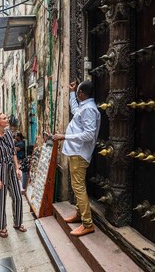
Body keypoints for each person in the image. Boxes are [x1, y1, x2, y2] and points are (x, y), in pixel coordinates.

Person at [52, 80, 101, 237]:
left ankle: (87, 223)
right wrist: (72, 92)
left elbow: (89, 134)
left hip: (80, 154)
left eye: (77, 92)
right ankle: (80, 215)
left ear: (82, 93)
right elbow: (75, 109)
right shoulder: (84, 107)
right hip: (75, 152)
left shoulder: (89, 110)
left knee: (78, 187)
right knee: (77, 186)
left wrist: (64, 136)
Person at [0, 113, 26, 238]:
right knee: (1, 200)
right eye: (4, 118)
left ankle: (18, 223)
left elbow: (13, 151)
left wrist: (17, 168)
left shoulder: (8, 133)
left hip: (11, 169)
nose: (7, 119)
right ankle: (2, 227)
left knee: (18, 197)